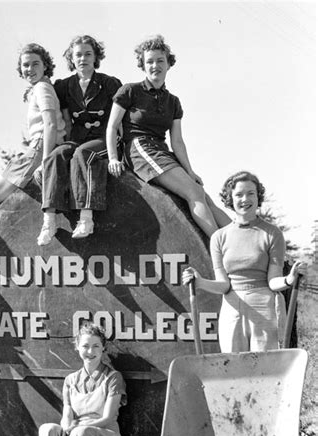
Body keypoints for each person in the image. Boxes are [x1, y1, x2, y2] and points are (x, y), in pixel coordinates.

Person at [106, 34, 230, 237]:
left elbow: (177, 141)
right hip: (139, 148)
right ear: (143, 65)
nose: (155, 65)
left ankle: (246, 243)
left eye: (160, 60)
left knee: (205, 197)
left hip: (162, 151)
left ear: (169, 64)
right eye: (150, 61)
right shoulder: (130, 91)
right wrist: (113, 158)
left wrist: (190, 171)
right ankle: (220, 248)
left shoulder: (173, 101)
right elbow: (112, 127)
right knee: (194, 194)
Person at [182, 171, 306, 352]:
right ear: (230, 199)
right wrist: (198, 281)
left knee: (264, 368)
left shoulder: (272, 234)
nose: (245, 199)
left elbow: (273, 281)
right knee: (233, 368)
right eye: (239, 194)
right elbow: (224, 285)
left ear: (258, 197)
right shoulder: (219, 237)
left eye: (251, 193)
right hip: (232, 308)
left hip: (263, 306)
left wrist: (289, 279)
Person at [0, 43, 66, 244]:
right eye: (25, 65)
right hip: (37, 148)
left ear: (46, 66)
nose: (30, 69)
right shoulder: (41, 87)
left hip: (38, 149)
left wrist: (45, 163)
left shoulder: (42, 88)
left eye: (35, 64)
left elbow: (51, 124)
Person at [37, 35, 122, 246]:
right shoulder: (64, 85)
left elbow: (118, 120)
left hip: (103, 139)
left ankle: (86, 218)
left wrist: (118, 152)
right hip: (77, 139)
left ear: (96, 57)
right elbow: (64, 118)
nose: (83, 58)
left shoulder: (110, 83)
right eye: (78, 55)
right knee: (56, 155)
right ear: (71, 59)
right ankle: (49, 220)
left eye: (88, 54)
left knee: (84, 154)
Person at [38, 322, 126, 436]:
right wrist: (67, 426)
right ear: (77, 347)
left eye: (96, 346)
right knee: (47, 429)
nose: (90, 351)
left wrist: (78, 429)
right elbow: (67, 414)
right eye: (85, 346)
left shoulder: (113, 378)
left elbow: (107, 417)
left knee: (81, 433)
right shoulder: (70, 380)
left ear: (103, 349)